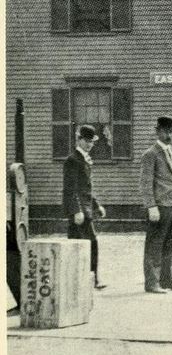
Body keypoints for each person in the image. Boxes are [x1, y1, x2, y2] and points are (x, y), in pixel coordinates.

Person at [139, 115, 172, 294]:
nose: (169, 135)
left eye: (171, 131)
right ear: (157, 132)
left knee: (170, 244)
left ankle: (167, 280)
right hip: (159, 207)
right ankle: (152, 283)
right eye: (165, 131)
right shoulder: (150, 154)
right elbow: (145, 183)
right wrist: (151, 206)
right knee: (155, 244)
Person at [62, 124, 107, 289]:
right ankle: (85, 281)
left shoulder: (83, 159)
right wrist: (76, 211)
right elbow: (70, 189)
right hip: (79, 212)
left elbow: (85, 189)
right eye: (86, 141)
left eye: (92, 141)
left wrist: (97, 206)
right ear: (79, 139)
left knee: (85, 245)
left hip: (85, 209)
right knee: (83, 245)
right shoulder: (73, 160)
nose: (89, 144)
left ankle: (87, 280)